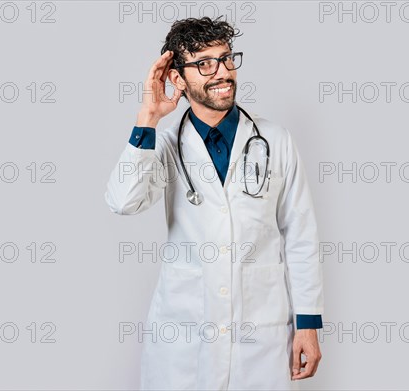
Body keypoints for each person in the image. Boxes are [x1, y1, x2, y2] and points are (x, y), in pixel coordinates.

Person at [105, 16, 324, 390]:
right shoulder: (162, 143)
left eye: (226, 59)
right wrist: (148, 118)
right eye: (204, 63)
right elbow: (123, 201)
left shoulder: (275, 140)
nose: (222, 72)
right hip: (184, 331)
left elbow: (300, 233)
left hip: (261, 332)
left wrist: (308, 323)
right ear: (177, 79)